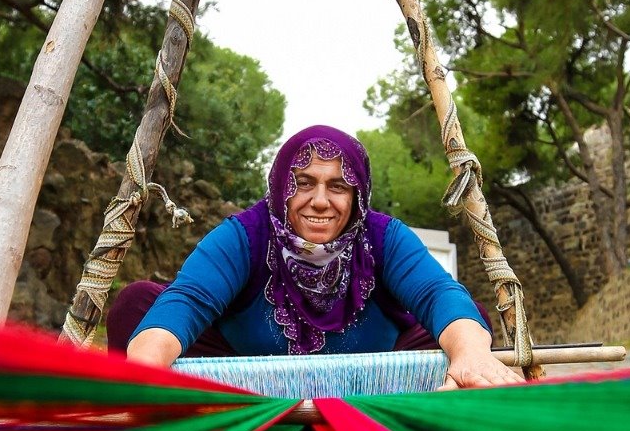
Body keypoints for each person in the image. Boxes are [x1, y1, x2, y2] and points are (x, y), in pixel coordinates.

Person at [109, 125, 523, 388]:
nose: (320, 201)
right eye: (303, 182)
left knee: (466, 323)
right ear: (280, 187)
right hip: (250, 393)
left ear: (357, 193)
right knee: (138, 305)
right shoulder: (246, 235)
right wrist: (145, 369)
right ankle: (166, 425)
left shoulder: (382, 236)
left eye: (338, 186)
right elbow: (189, 299)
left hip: (371, 389)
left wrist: (469, 356)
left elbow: (436, 292)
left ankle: (418, 429)